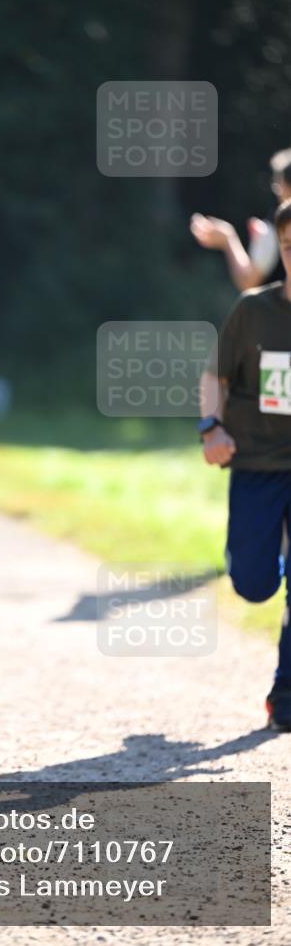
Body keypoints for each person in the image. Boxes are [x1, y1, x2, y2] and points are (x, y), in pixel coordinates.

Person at [198, 198, 291, 731]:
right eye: (288, 247)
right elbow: (215, 376)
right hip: (256, 463)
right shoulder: (254, 310)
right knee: (254, 584)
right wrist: (212, 427)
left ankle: (285, 691)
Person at [190, 148, 291, 291]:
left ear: (284, 186)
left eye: (278, 184)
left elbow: (248, 281)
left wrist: (228, 239)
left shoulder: (275, 229)